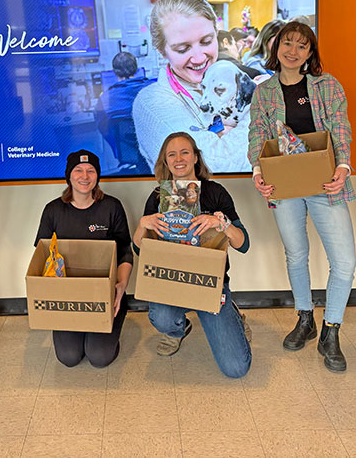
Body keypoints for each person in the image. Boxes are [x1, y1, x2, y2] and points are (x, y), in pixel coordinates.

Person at [248, 22, 356, 373]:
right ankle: (305, 318)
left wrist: (343, 168)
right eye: (287, 43)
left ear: (311, 53)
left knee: (344, 262)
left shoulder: (327, 86)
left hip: (326, 183)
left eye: (302, 46)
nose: (293, 51)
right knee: (296, 254)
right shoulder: (263, 92)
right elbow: (257, 136)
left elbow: (341, 129)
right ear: (276, 47)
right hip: (285, 185)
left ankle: (332, 330)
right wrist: (258, 172)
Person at [133, 132, 252, 378]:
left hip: (210, 284)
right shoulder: (158, 197)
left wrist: (221, 223)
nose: (179, 159)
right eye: (171, 154)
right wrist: (143, 224)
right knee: (162, 318)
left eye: (185, 152)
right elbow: (138, 249)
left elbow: (243, 244)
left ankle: (231, 313)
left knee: (236, 369)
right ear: (165, 162)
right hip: (170, 280)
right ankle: (179, 329)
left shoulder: (214, 192)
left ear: (196, 157)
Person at [132, 0, 253, 173]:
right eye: (182, 49)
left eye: (206, 41)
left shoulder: (228, 78)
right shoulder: (151, 103)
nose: (198, 58)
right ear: (161, 50)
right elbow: (219, 167)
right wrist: (260, 110)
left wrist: (228, 139)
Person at [34, 150, 133, 367]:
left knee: (99, 357)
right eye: (78, 170)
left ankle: (105, 336)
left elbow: (125, 249)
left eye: (91, 170)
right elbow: (41, 256)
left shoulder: (112, 207)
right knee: (69, 357)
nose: (84, 176)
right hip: (67, 297)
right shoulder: (53, 210)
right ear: (68, 176)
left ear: (98, 176)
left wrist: (121, 286)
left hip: (105, 295)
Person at [94, 52, 154, 173]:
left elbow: (103, 127)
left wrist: (122, 147)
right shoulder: (153, 89)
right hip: (158, 159)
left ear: (115, 72)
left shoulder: (105, 99)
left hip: (129, 161)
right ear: (136, 69)